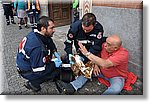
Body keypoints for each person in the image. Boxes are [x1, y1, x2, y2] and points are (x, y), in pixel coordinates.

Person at [56, 34, 129, 95]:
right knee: (87, 70)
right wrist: (95, 64)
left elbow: (105, 64)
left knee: (116, 89)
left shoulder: (123, 54)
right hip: (102, 71)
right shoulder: (104, 46)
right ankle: (72, 87)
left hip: (116, 76)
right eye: (106, 42)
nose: (105, 45)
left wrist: (87, 53)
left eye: (108, 44)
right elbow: (97, 54)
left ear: (115, 48)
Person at [16, 16, 62, 92]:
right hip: (27, 70)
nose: (54, 30)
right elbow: (39, 71)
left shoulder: (37, 32)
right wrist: (54, 64)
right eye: (51, 28)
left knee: (51, 65)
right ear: (43, 29)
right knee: (56, 70)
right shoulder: (38, 47)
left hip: (25, 62)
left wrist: (54, 51)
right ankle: (33, 83)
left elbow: (48, 40)